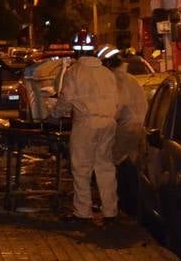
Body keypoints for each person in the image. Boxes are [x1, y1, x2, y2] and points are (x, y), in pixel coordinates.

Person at [52, 30, 120, 224]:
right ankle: (110, 212)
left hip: (86, 123)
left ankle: (83, 213)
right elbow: (117, 100)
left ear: (75, 50)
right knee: (105, 167)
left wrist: (54, 115)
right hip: (108, 122)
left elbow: (66, 99)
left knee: (81, 169)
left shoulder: (75, 72)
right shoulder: (107, 73)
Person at [101, 46, 148, 215]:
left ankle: (121, 205)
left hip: (126, 128)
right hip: (141, 126)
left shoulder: (116, 80)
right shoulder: (130, 79)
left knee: (112, 163)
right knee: (131, 164)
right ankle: (132, 205)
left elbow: (117, 107)